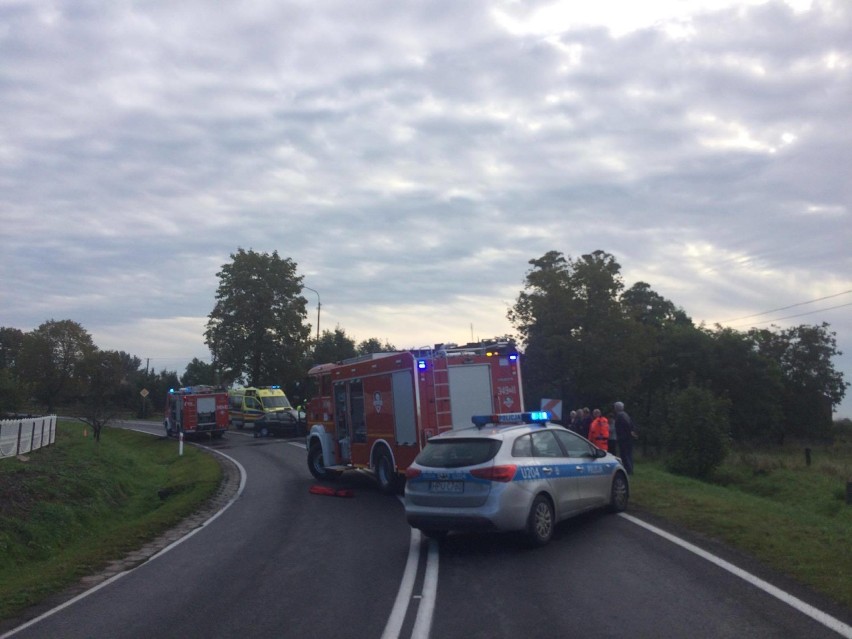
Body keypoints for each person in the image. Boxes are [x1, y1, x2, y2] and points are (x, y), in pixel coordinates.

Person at [613, 401, 637, 474]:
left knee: (624, 454)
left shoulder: (620, 416)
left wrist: (628, 432)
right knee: (628, 454)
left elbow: (627, 426)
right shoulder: (626, 415)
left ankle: (628, 470)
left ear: (617, 408)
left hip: (623, 438)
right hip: (627, 438)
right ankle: (630, 469)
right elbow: (631, 424)